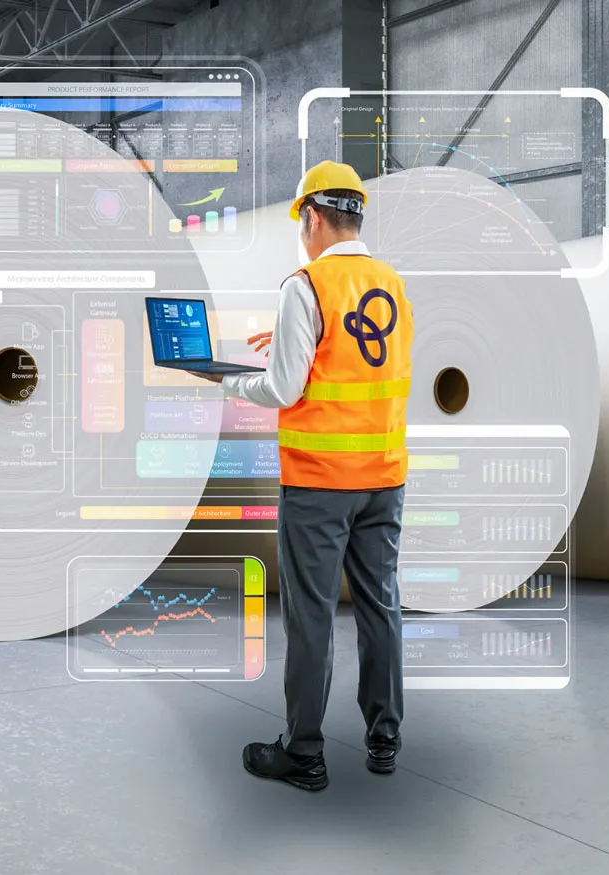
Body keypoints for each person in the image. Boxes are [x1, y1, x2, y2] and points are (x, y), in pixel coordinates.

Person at [189, 161, 412, 791]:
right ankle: (385, 738)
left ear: (312, 217)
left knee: (313, 615)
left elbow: (285, 388)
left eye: (302, 223)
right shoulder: (392, 284)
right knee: (380, 605)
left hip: (319, 483)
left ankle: (304, 752)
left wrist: (227, 379)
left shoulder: (305, 285)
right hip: (384, 477)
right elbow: (361, 368)